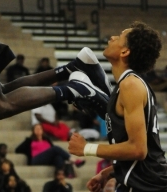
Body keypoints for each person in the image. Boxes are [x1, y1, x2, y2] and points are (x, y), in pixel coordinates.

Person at [68, 21, 167, 192]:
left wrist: (87, 148)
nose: (112, 37)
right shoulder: (128, 84)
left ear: (125, 51)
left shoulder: (131, 85)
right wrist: (110, 172)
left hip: (148, 186)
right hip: (142, 181)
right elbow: (145, 151)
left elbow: (138, 149)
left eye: (119, 37)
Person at [15, 123, 85, 170]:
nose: (38, 130)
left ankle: (60, 175)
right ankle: (73, 160)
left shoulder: (47, 139)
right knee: (55, 149)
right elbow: (17, 149)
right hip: (36, 159)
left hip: (47, 158)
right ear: (33, 131)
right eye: (36, 129)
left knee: (58, 157)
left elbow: (53, 152)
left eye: (40, 129)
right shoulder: (29, 140)